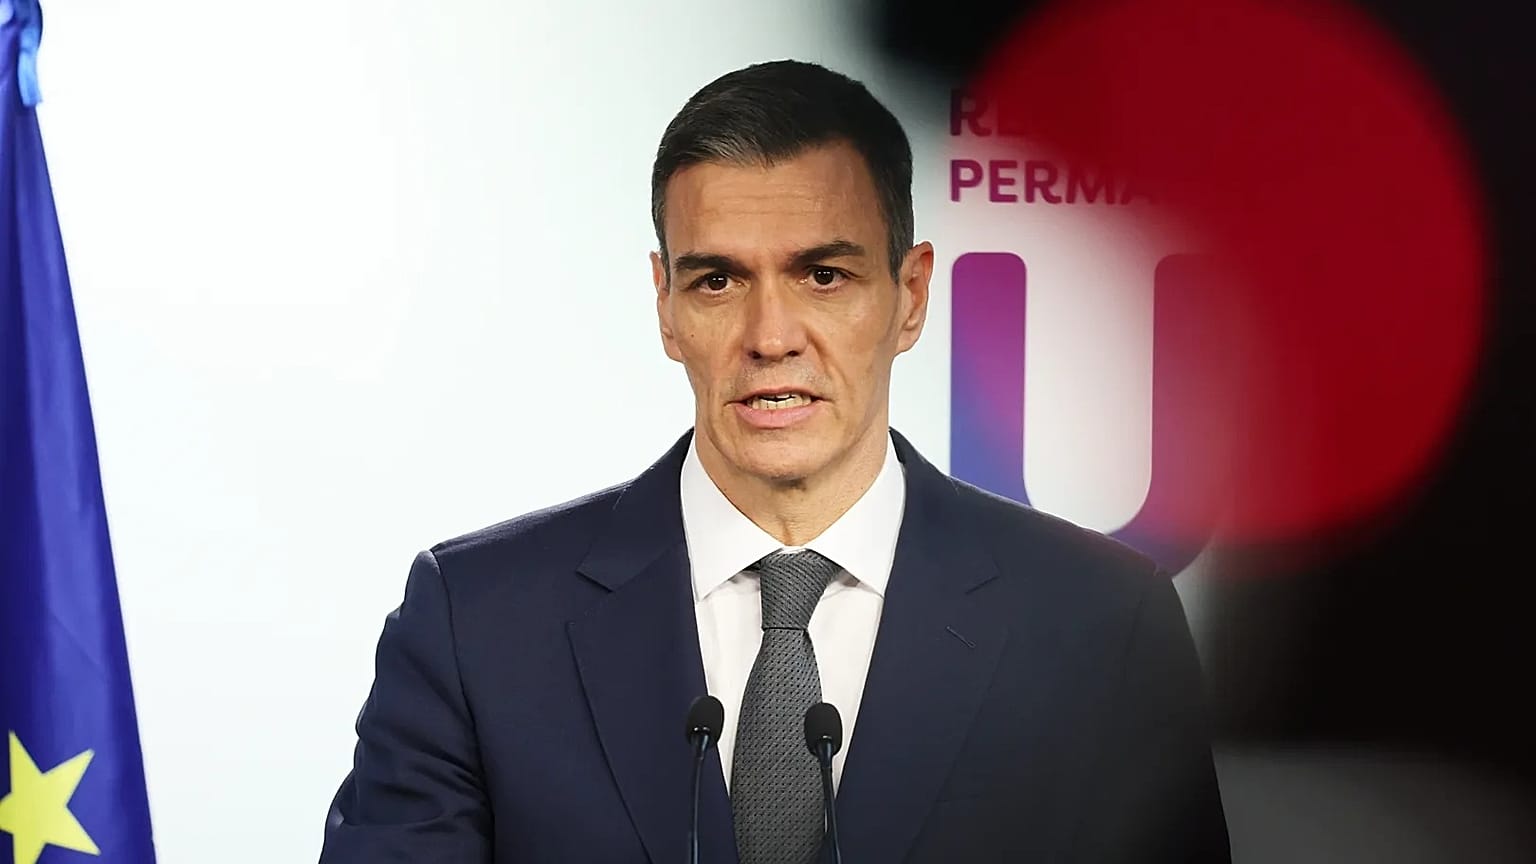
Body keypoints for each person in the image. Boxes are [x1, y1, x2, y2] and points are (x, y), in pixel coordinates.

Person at [319, 59, 1230, 864]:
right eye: (717, 280)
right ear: (666, 306)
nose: (769, 337)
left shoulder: (1103, 625)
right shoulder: (475, 621)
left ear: (909, 297)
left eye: (823, 276)